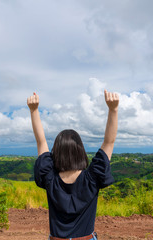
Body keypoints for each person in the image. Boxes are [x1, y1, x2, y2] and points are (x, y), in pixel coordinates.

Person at [27, 89, 119, 240]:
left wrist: (34, 110)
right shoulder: (92, 178)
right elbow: (109, 142)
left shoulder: (50, 178)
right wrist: (113, 109)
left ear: (56, 152)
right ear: (80, 151)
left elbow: (41, 142)